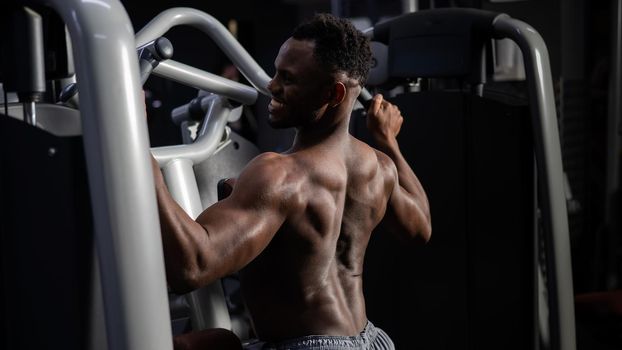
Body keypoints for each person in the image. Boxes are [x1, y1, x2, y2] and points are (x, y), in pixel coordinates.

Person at [152, 13, 431, 350]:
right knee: (214, 342)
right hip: (369, 341)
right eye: (275, 72)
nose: (271, 86)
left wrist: (137, 152)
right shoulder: (378, 167)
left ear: (333, 92)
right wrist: (388, 141)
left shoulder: (282, 175)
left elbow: (192, 267)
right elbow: (421, 228)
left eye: (287, 78)